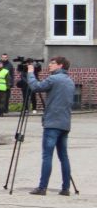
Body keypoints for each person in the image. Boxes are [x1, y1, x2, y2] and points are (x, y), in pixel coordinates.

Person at [26, 57, 74, 196]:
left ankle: (42, 187)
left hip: (52, 123)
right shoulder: (70, 81)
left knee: (47, 155)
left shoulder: (54, 79)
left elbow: (36, 87)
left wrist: (30, 73)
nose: (49, 65)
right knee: (63, 156)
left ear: (60, 65)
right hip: (64, 123)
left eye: (53, 63)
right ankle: (65, 188)